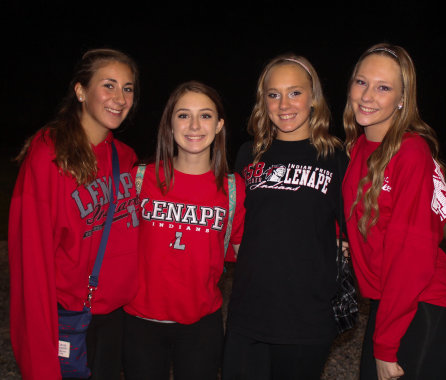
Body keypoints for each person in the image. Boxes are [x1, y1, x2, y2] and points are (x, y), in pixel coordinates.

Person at [8, 48, 141, 380]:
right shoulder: (48, 157)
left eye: (128, 88)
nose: (120, 98)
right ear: (81, 91)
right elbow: (32, 264)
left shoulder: (124, 157)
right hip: (71, 317)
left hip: (117, 317)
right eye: (108, 85)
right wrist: (39, 360)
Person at [342, 43, 446, 380]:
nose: (367, 95)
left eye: (383, 87)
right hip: (389, 303)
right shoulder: (356, 147)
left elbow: (410, 256)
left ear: (402, 98)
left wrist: (385, 345)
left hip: (426, 304)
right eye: (361, 82)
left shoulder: (411, 150)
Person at [222, 54, 347, 379]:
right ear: (263, 102)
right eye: (273, 94)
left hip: (307, 318)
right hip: (249, 315)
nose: (284, 104)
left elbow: (360, 227)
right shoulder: (249, 154)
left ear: (314, 98)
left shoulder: (335, 157)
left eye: (295, 92)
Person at [122, 81, 246, 380]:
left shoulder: (233, 188)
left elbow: (246, 255)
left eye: (205, 115)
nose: (194, 125)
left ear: (218, 126)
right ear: (169, 123)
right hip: (140, 322)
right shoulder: (140, 179)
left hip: (201, 324)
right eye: (183, 115)